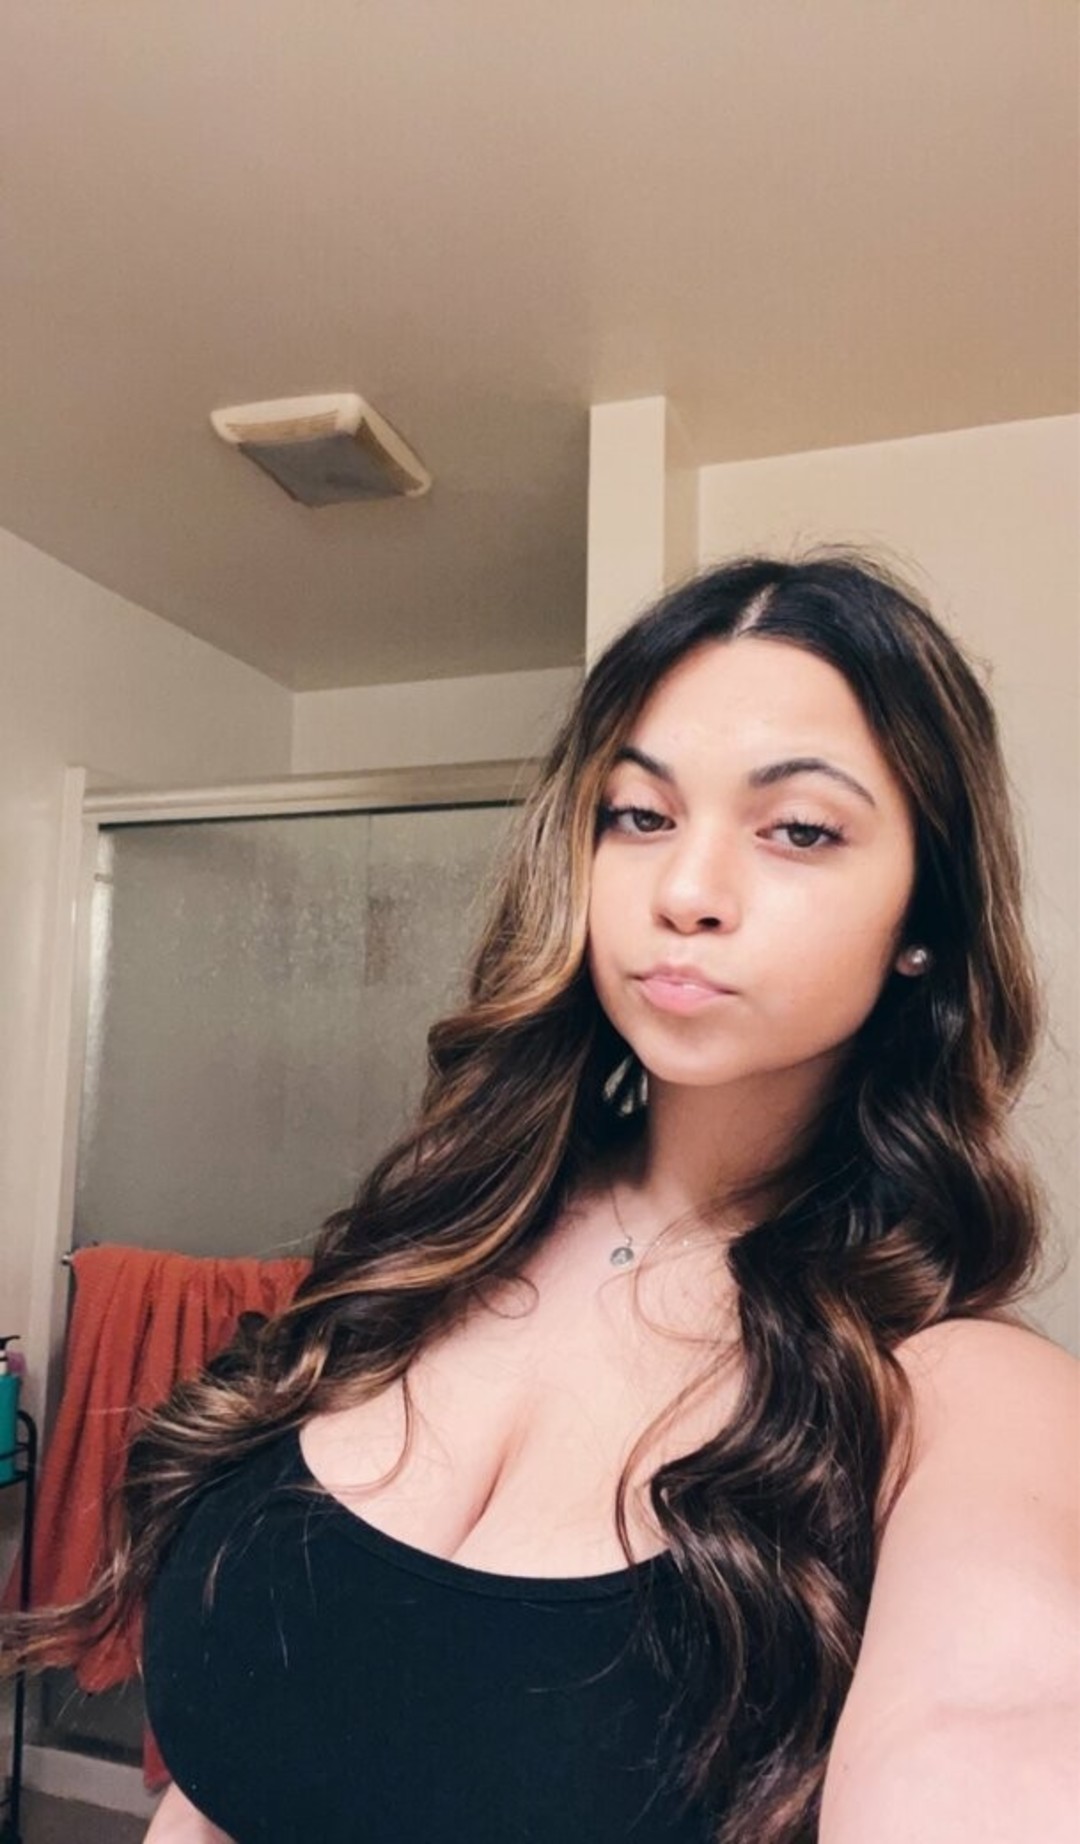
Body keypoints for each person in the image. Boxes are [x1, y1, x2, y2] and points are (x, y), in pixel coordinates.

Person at [4, 552, 1076, 1844]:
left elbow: (994, 1735)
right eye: (639, 815)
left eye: (799, 829)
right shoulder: (433, 1234)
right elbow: (230, 1773)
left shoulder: (963, 1398)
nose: (687, 893)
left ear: (925, 921)